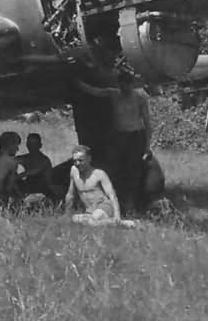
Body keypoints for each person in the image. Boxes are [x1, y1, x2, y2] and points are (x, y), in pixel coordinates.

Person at [75, 72, 151, 213]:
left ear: (132, 84)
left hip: (135, 136)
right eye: (122, 86)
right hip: (119, 137)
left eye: (127, 86)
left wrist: (147, 147)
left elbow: (147, 122)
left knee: (133, 169)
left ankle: (132, 203)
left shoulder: (140, 98)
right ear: (119, 85)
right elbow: (93, 91)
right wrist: (77, 80)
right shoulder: (114, 94)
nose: (124, 89)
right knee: (114, 168)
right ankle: (114, 200)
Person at [64, 145, 121, 226]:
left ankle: (125, 223)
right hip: (90, 210)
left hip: (104, 207)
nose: (77, 163)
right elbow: (70, 194)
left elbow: (112, 195)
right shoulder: (73, 171)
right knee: (74, 219)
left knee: (92, 221)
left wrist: (117, 214)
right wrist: (67, 214)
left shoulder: (99, 174)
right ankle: (109, 222)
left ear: (89, 159)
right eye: (75, 161)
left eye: (80, 160)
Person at [15, 133, 55, 199]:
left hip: (43, 191)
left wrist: (18, 176)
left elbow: (33, 171)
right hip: (29, 189)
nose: (32, 146)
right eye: (29, 144)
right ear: (27, 145)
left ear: (40, 145)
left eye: (34, 144)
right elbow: (14, 160)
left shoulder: (44, 160)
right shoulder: (26, 158)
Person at [0, 131, 22, 202]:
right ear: (10, 145)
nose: (18, 149)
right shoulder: (12, 162)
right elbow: (9, 187)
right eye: (16, 145)